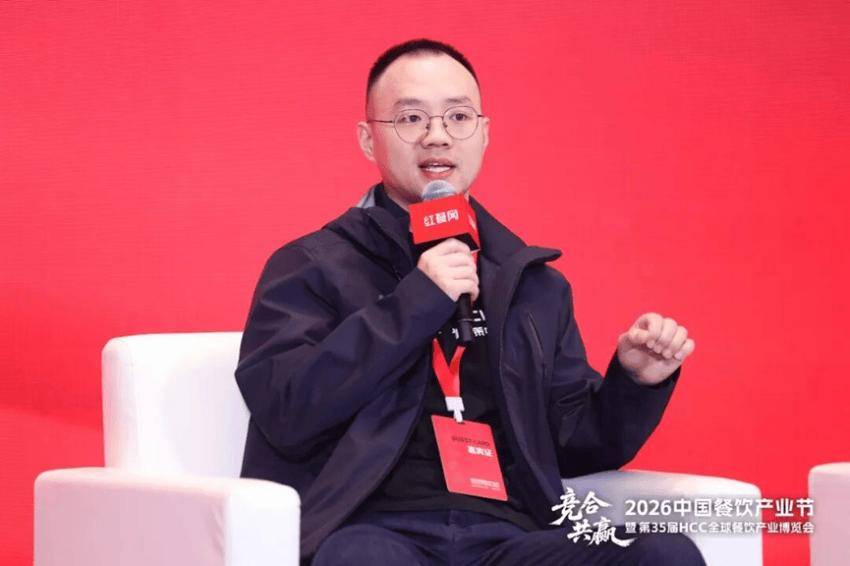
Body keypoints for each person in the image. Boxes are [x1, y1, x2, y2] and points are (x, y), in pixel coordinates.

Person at [235, 38, 704, 565]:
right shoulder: (311, 265)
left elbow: (573, 446)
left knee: (664, 555)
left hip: (508, 539)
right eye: (411, 118)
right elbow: (288, 410)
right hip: (372, 530)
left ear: (484, 134)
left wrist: (635, 383)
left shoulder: (534, 285)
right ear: (369, 140)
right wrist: (416, 303)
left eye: (458, 117)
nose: (437, 136)